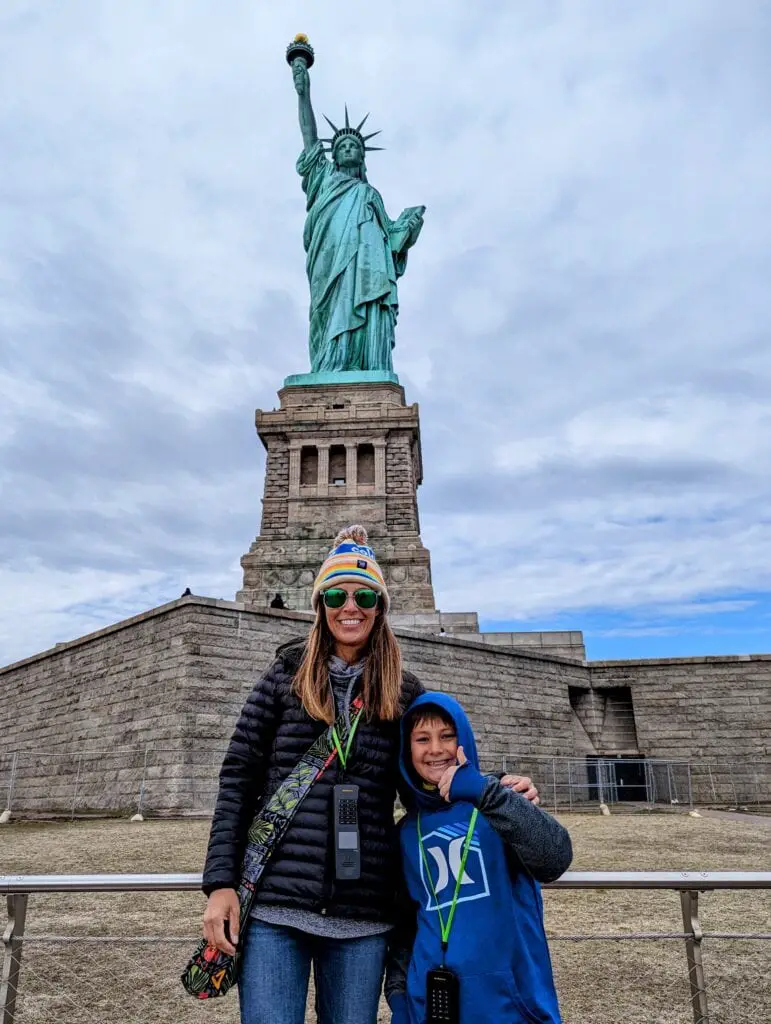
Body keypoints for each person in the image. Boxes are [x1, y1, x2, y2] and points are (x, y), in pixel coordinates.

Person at [201, 525, 540, 1024]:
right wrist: (220, 884)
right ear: (320, 604)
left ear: (380, 607)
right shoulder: (283, 678)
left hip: (363, 915)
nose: (350, 606)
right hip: (276, 907)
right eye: (336, 594)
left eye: (364, 596)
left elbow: (433, 769)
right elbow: (238, 781)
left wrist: (501, 786)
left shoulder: (403, 691)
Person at [386, 693, 573, 1024]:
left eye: (447, 736)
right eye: (422, 739)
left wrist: (488, 793)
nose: (435, 749)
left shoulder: (499, 802)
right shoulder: (405, 832)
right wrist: (400, 995)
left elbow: (554, 858)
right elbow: (406, 927)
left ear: (465, 739)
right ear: (407, 749)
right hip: (430, 1005)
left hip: (511, 1006)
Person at [291, 57, 424, 373]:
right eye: (342, 146)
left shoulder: (370, 194)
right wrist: (302, 94)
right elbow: (309, 137)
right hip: (331, 258)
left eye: (354, 146)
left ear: (362, 157)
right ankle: (330, 365)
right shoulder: (323, 180)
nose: (349, 149)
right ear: (333, 155)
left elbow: (390, 242)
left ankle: (362, 364)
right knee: (329, 310)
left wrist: (407, 230)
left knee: (365, 305)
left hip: (367, 267)